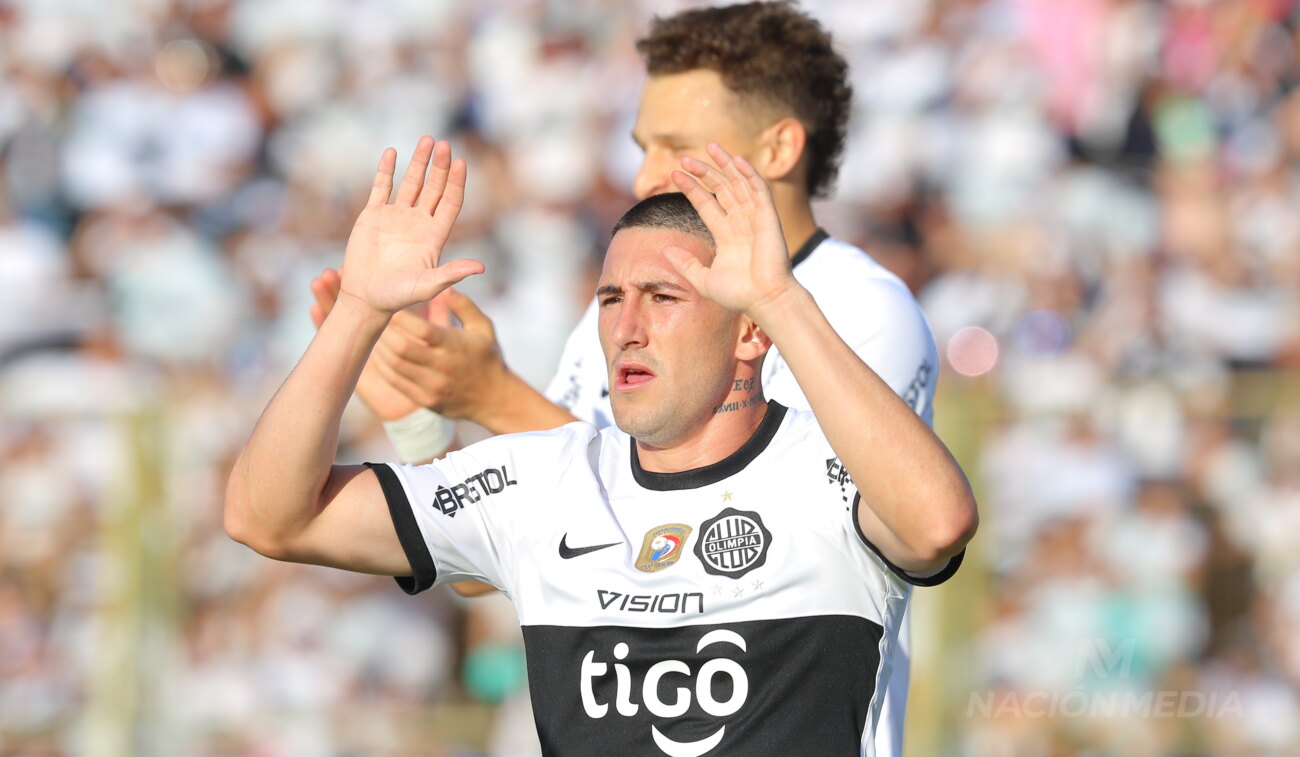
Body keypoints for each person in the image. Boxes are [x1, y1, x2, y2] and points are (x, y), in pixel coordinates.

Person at [311, 9, 939, 750]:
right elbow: (505, 555)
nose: (644, 175)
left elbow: (726, 516)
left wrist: (495, 398)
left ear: (777, 146)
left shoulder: (857, 307)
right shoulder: (625, 303)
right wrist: (425, 422)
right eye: (641, 146)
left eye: (673, 145)